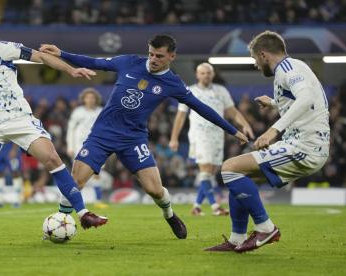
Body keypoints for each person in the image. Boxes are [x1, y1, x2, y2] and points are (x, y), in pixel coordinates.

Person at [40, 35, 249, 239]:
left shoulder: (173, 83)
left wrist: (232, 130)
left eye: (159, 56)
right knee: (76, 179)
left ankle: (169, 214)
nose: (153, 60)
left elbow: (202, 108)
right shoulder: (129, 62)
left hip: (133, 139)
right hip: (102, 134)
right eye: (151, 54)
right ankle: (62, 219)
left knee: (155, 190)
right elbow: (93, 62)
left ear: (171, 57)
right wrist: (62, 53)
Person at [0, 19, 107, 243]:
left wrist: (71, 70)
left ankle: (84, 213)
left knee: (51, 158)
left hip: (18, 118)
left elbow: (41, 56)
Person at [205, 31, 330, 252]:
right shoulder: (294, 68)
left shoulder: (288, 69)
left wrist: (273, 130)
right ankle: (236, 239)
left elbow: (306, 98)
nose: (255, 64)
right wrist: (274, 103)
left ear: (263, 55)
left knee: (229, 168)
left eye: (254, 59)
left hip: (304, 146)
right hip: (306, 144)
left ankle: (266, 228)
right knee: (238, 174)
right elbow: (310, 101)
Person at [169, 63, 254, 216]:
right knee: (206, 170)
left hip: (217, 136)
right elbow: (181, 115)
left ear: (213, 74)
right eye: (202, 73)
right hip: (200, 135)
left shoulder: (221, 91)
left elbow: (232, 111)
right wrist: (174, 138)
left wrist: (245, 124)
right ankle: (215, 207)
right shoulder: (190, 91)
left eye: (208, 73)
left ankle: (196, 206)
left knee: (211, 172)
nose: (206, 75)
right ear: (197, 75)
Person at [66, 87, 107, 208]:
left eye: (92, 97)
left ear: (96, 99)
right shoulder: (78, 112)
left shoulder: (100, 111)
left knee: (97, 172)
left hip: (97, 145)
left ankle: (98, 201)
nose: (90, 99)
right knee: (78, 174)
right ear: (83, 99)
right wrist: (70, 146)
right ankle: (77, 201)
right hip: (79, 145)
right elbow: (70, 129)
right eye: (88, 97)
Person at [0, 142, 23, 208]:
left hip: (10, 147)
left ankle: (17, 200)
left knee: (15, 172)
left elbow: (16, 133)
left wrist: (14, 149)